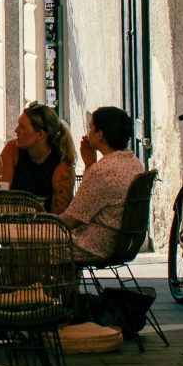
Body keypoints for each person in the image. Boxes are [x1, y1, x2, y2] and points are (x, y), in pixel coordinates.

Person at [61, 106, 145, 261]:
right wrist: (89, 163)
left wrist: (40, 224)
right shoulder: (134, 163)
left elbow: (71, 219)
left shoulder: (102, 171)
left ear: (99, 134)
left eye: (91, 127)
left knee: (34, 244)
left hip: (93, 244)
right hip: (118, 243)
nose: (88, 132)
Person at [0, 101, 77, 212]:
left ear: (40, 134)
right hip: (10, 222)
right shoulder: (12, 149)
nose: (16, 130)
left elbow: (58, 217)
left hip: (44, 226)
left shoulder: (61, 164)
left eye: (22, 127)